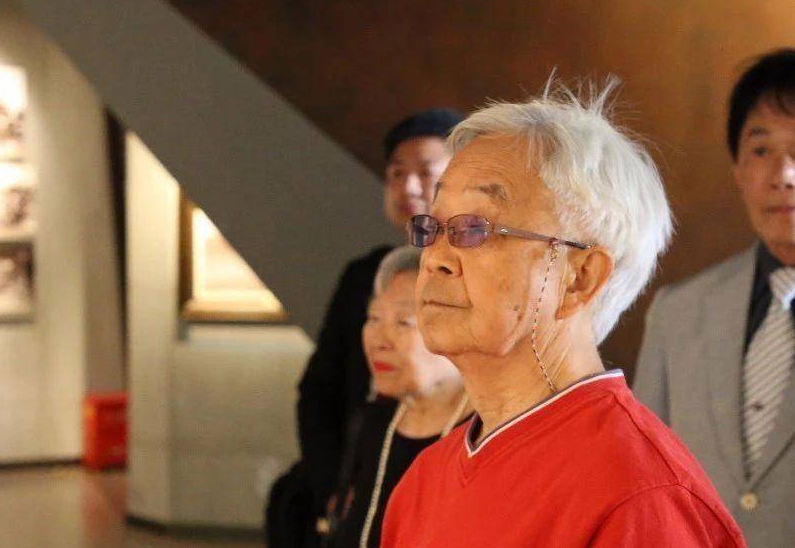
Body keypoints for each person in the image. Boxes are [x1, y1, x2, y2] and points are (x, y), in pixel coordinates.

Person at [380, 83, 745, 547]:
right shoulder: (423, 481)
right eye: (432, 226)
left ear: (580, 278)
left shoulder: (642, 496)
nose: (435, 259)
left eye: (474, 228)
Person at [635, 48, 795, 546]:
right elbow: (645, 481)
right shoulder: (677, 312)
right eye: (761, 150)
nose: (783, 174)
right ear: (737, 170)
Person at [295, 108, 463, 521]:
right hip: (366, 460)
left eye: (426, 172)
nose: (408, 186)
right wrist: (333, 487)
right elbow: (321, 389)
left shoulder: (471, 277)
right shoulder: (363, 275)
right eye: (396, 173)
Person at [320, 246, 468, 548]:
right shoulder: (376, 421)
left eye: (403, 322)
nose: (379, 340)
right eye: (374, 318)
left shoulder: (482, 435)